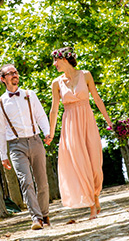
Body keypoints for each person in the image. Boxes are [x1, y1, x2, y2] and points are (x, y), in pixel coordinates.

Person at [48, 47, 113, 219]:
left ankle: (96, 195)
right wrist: (51, 132)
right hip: (69, 125)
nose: (54, 64)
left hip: (88, 121)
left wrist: (109, 121)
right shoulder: (56, 83)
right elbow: (54, 110)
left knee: (95, 163)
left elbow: (97, 99)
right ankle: (92, 205)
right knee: (81, 164)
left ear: (65, 59)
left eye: (56, 60)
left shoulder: (86, 75)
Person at [0, 64, 52, 230]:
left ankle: (44, 213)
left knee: (42, 182)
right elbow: (0, 131)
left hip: (35, 140)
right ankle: (36, 219)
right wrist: (3, 154)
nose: (14, 75)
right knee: (26, 182)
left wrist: (47, 133)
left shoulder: (29, 94)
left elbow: (40, 115)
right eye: (10, 73)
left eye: (15, 72)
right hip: (15, 146)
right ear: (2, 79)